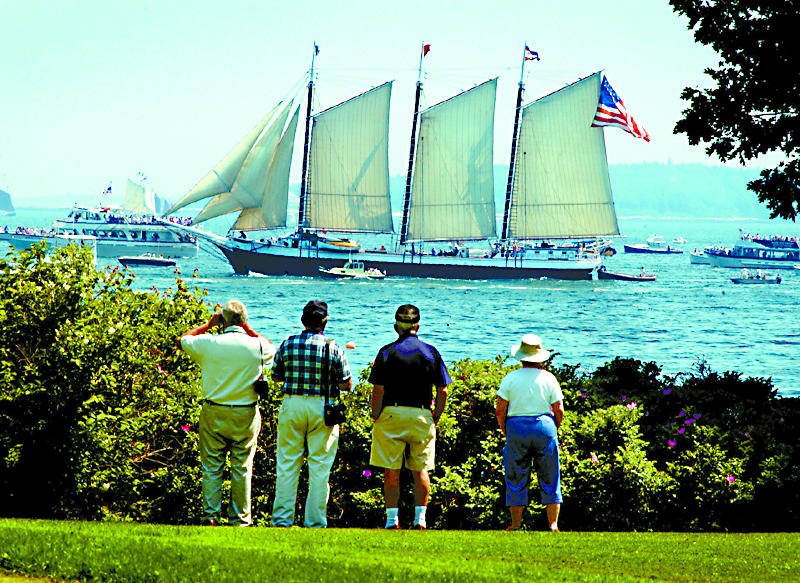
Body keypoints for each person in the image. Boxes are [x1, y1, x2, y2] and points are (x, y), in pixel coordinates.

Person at [179, 300, 275, 526]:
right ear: (244, 320)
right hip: (246, 412)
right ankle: (240, 519)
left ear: (222, 319)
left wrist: (207, 325)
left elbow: (183, 340)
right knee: (242, 467)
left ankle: (210, 515)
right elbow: (271, 348)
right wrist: (248, 328)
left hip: (214, 409)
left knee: (212, 466)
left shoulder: (210, 342)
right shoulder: (257, 345)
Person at [369, 304, 451, 530]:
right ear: (418, 325)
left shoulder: (386, 352)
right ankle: (420, 519)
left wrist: (375, 414)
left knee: (391, 470)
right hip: (421, 413)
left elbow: (378, 389)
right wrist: (435, 416)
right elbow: (443, 390)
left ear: (396, 326)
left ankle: (391, 520)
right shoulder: (430, 351)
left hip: (391, 413)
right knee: (421, 468)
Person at [271, 300, 352, 528]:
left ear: (302, 321)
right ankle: (315, 521)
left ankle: (281, 520)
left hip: (292, 403)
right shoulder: (332, 346)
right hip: (322, 407)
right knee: (320, 466)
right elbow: (346, 383)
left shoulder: (287, 344)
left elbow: (276, 376)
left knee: (287, 464)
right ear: (324, 321)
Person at [495, 334, 564, 532]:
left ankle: (516, 524)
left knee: (516, 475)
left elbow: (501, 409)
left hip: (516, 426)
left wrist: (505, 428)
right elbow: (559, 408)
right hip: (544, 425)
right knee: (551, 475)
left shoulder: (510, 378)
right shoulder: (548, 378)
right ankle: (553, 524)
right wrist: (554, 427)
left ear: (521, 356)